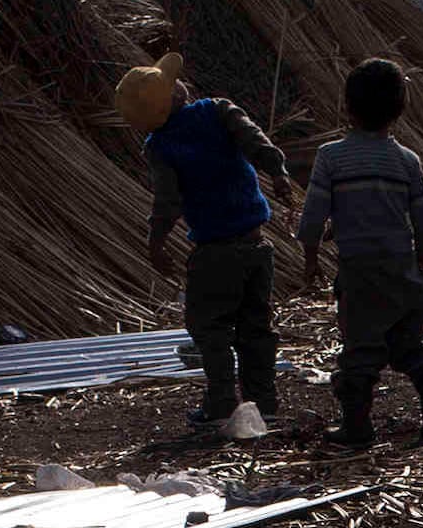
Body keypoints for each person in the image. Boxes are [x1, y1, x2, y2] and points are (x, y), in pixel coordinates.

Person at [118, 50, 292, 441]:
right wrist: (277, 172)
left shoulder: (160, 146)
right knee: (256, 327)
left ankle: (221, 402)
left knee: (209, 327)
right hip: (255, 245)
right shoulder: (218, 110)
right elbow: (254, 139)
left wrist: (156, 241)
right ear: (176, 94)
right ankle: (263, 401)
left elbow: (167, 201)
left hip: (213, 252)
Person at [295, 55, 423, 447]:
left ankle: (357, 429)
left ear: (347, 107)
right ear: (400, 110)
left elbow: (313, 215)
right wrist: (420, 265)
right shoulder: (407, 161)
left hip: (360, 275)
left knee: (360, 351)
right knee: (412, 344)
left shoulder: (331, 158)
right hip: (403, 274)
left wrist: (311, 257)